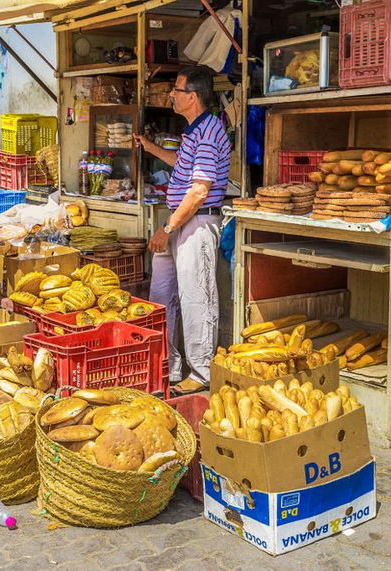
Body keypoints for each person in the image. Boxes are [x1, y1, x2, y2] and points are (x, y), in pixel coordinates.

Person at [134, 65, 231, 395]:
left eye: (176, 91)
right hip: (180, 220)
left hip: (196, 220)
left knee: (196, 298)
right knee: (162, 296)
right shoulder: (194, 131)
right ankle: (170, 365)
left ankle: (201, 372)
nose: (171, 96)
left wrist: (166, 228)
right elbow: (182, 164)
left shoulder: (208, 132)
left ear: (192, 96)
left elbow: (199, 189)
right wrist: (151, 148)